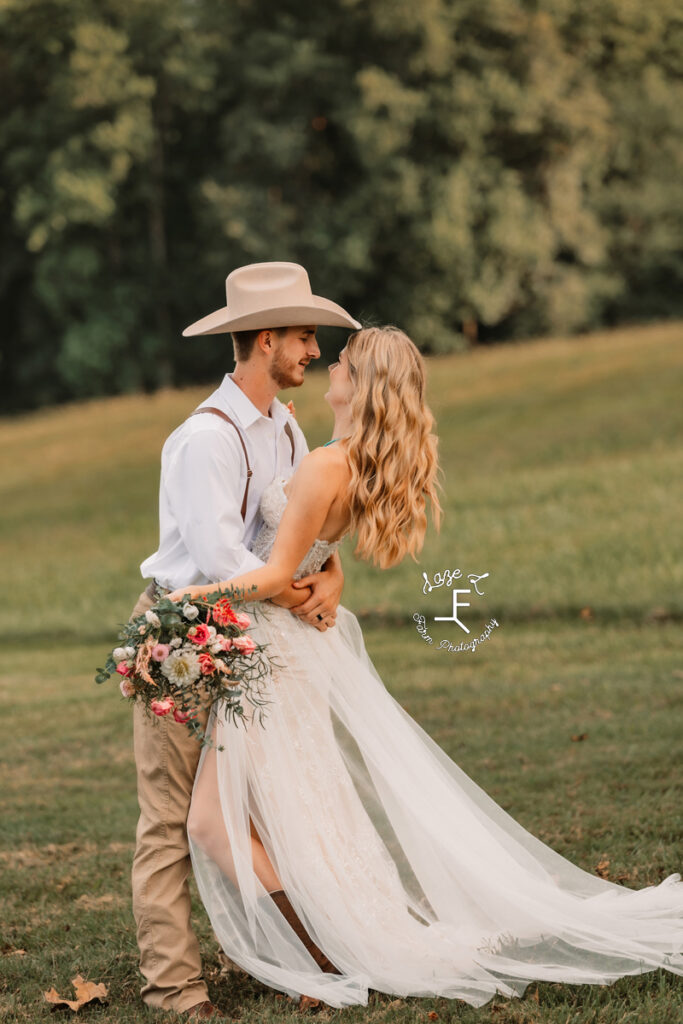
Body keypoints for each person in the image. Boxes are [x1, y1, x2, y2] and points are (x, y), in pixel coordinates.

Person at [168, 324, 683, 1012]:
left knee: (215, 822)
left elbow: (274, 574)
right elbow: (314, 553)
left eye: (343, 360)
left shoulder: (326, 464)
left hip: (272, 651)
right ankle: (335, 936)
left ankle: (328, 947)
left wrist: (187, 601)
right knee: (299, 809)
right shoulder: (340, 459)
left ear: (361, 384)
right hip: (285, 650)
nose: (328, 361)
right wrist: (329, 578)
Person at [130, 261, 361, 1020]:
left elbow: (300, 539)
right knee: (171, 819)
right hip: (182, 632)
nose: (314, 353)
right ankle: (176, 992)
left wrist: (331, 582)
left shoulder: (286, 428)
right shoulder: (205, 439)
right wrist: (298, 590)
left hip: (253, 624)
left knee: (254, 806)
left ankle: (288, 951)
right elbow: (227, 563)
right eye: (302, 337)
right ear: (264, 341)